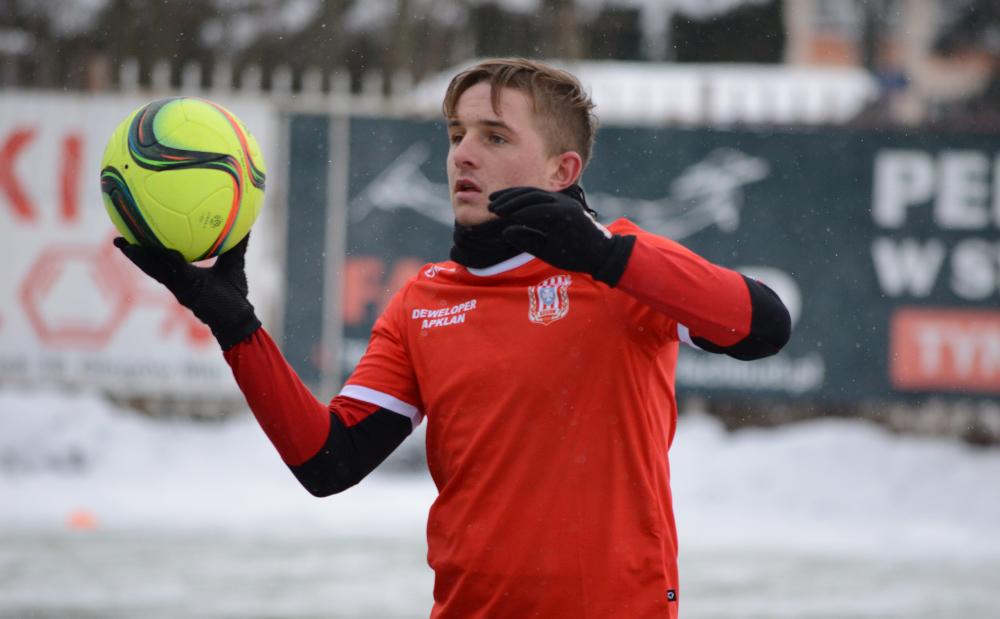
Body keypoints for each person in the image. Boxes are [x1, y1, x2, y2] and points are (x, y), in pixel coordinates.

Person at [115, 58, 791, 619]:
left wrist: (607, 256)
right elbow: (328, 460)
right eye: (456, 132)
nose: (463, 153)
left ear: (563, 170)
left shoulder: (622, 266)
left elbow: (764, 325)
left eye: (495, 136)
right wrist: (238, 327)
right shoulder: (422, 301)